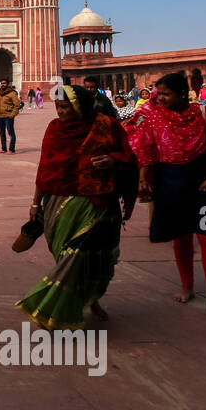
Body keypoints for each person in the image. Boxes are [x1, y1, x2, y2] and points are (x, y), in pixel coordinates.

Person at [15, 84, 135, 328]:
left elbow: (129, 157)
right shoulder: (55, 129)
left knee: (81, 255)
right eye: (58, 106)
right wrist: (35, 203)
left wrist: (113, 161)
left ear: (80, 105)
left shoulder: (105, 125)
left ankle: (50, 305)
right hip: (59, 201)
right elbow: (45, 167)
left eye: (65, 107)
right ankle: (86, 297)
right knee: (66, 256)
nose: (60, 111)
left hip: (97, 201)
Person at [129, 72, 206, 318]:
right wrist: (142, 178)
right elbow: (145, 150)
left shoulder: (205, 113)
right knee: (181, 237)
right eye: (159, 95)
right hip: (171, 183)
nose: (160, 100)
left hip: (205, 185)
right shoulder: (153, 117)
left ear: (182, 94)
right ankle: (187, 286)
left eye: (166, 94)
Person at [0, 78, 20, 153]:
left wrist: (12, 114)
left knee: (11, 133)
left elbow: (17, 105)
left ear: (8, 84)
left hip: (8, 116)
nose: (3, 84)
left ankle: (11, 149)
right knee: (2, 133)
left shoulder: (12, 93)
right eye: (1, 83)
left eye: (4, 83)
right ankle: (3, 148)